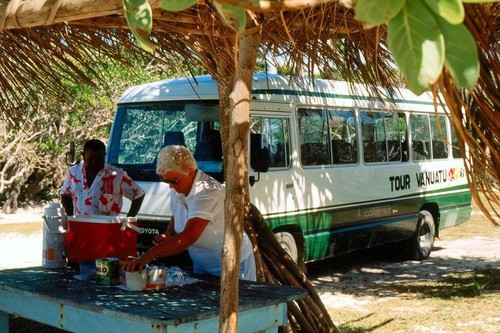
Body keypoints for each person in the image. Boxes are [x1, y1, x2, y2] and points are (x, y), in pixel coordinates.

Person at [124, 145, 256, 281]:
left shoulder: (208, 193)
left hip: (234, 266)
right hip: (203, 265)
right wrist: (169, 234)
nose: (170, 186)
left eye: (173, 181)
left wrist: (147, 256)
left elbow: (188, 238)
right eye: (166, 181)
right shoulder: (178, 188)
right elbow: (177, 213)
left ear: (190, 171)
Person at [60, 139, 145, 217]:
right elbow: (65, 195)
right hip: (80, 226)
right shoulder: (73, 173)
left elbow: (139, 195)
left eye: (99, 159)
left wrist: (128, 221)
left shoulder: (117, 175)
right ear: (83, 155)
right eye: (91, 159)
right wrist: (70, 218)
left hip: (106, 229)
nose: (95, 163)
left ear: (104, 155)